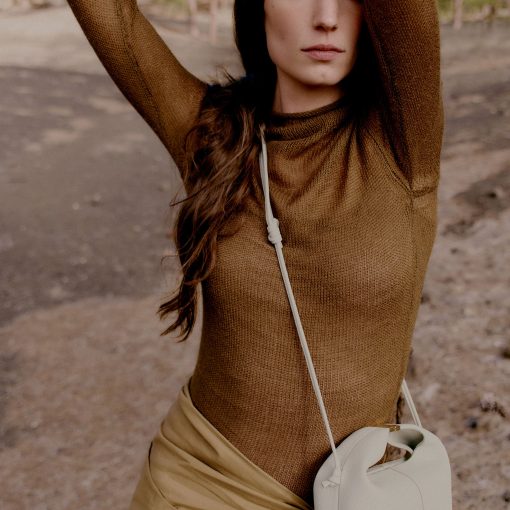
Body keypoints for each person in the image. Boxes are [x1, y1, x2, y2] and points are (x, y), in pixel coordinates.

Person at [66, 0, 444, 508]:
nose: (327, 16)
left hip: (359, 494)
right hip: (198, 486)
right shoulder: (210, 135)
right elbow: (111, 16)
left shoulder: (402, 146)